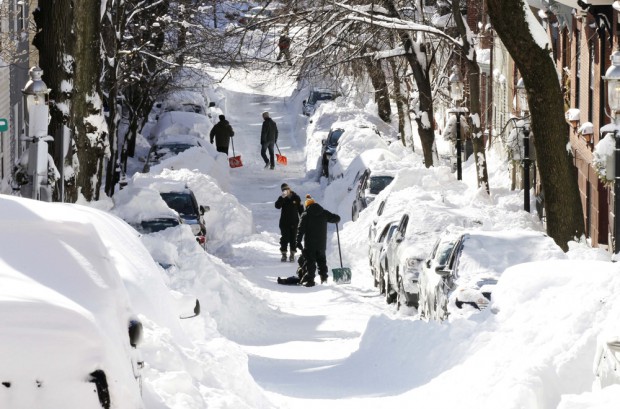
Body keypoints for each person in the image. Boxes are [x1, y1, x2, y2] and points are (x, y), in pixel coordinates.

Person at [296, 194, 341, 287]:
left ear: (307, 206)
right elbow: (336, 218)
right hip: (321, 244)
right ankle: (324, 279)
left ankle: (311, 280)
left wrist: (298, 241)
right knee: (321, 261)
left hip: (310, 244)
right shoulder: (324, 213)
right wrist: (337, 218)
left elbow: (300, 230)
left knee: (310, 262)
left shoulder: (306, 215)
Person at [275, 183, 303, 262]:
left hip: (294, 222)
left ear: (289, 189)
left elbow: (301, 209)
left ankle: (292, 254)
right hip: (284, 222)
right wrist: (282, 198)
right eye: (283, 190)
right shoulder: (282, 198)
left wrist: (303, 218)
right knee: (285, 238)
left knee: (293, 238)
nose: (285, 191)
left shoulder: (296, 197)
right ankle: (284, 254)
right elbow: (277, 206)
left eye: (286, 189)